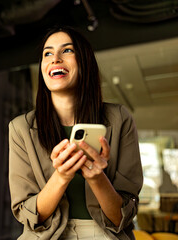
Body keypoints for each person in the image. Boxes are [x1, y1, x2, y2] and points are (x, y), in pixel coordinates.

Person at [8, 25, 143, 240]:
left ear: (85, 61)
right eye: (48, 53)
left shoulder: (119, 119)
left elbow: (122, 218)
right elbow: (28, 215)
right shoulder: (20, 128)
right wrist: (61, 176)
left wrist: (97, 177)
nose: (55, 58)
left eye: (67, 50)